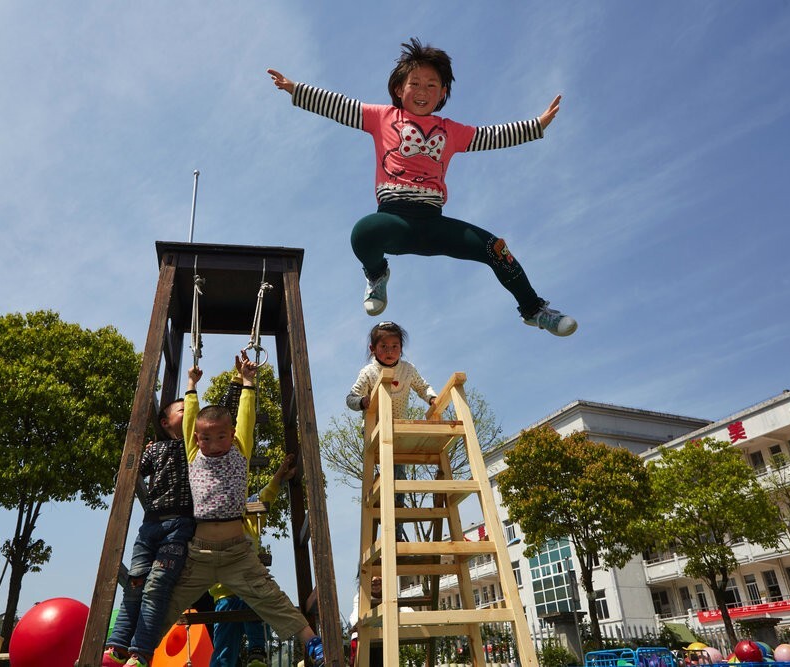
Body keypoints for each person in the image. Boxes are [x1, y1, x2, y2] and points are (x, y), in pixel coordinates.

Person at [268, 38, 576, 336]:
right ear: (399, 88)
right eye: (415, 83)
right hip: (394, 220)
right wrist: (297, 89)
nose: (422, 91)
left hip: (433, 222)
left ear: (442, 93)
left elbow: (490, 136)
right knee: (364, 231)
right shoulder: (381, 117)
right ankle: (377, 274)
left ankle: (534, 310)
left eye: (432, 85)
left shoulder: (450, 130)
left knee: (495, 248)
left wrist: (536, 126)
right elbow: (339, 106)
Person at [161, 352, 327, 667]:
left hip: (238, 554)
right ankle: (135, 653)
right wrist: (191, 386)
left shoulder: (240, 460)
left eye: (223, 436)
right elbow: (193, 426)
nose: (216, 442)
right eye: (207, 438)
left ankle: (310, 644)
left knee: (270, 598)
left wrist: (249, 381)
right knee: (170, 604)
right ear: (198, 439)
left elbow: (245, 424)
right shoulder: (195, 454)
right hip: (202, 555)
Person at [102, 397, 197, 666]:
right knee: (134, 584)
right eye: (183, 409)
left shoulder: (197, 446)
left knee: (156, 586)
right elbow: (129, 474)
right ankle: (118, 646)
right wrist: (140, 453)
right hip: (150, 526)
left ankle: (141, 652)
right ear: (165, 422)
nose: (190, 411)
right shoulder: (155, 450)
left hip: (179, 525)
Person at [346, 321, 436, 542]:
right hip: (375, 430)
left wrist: (432, 399)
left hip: (397, 430)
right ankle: (389, 527)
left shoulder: (407, 369)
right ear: (373, 349)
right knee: (389, 478)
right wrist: (364, 401)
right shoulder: (369, 372)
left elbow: (423, 387)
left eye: (394, 346)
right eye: (383, 347)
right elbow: (350, 398)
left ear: (401, 348)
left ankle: (394, 533)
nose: (389, 351)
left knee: (399, 479)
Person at [209, 453, 297, 667]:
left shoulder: (249, 516)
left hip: (247, 586)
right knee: (224, 648)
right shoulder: (212, 518)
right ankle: (230, 661)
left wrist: (279, 476)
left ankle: (257, 653)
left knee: (254, 605)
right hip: (224, 592)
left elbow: (267, 495)